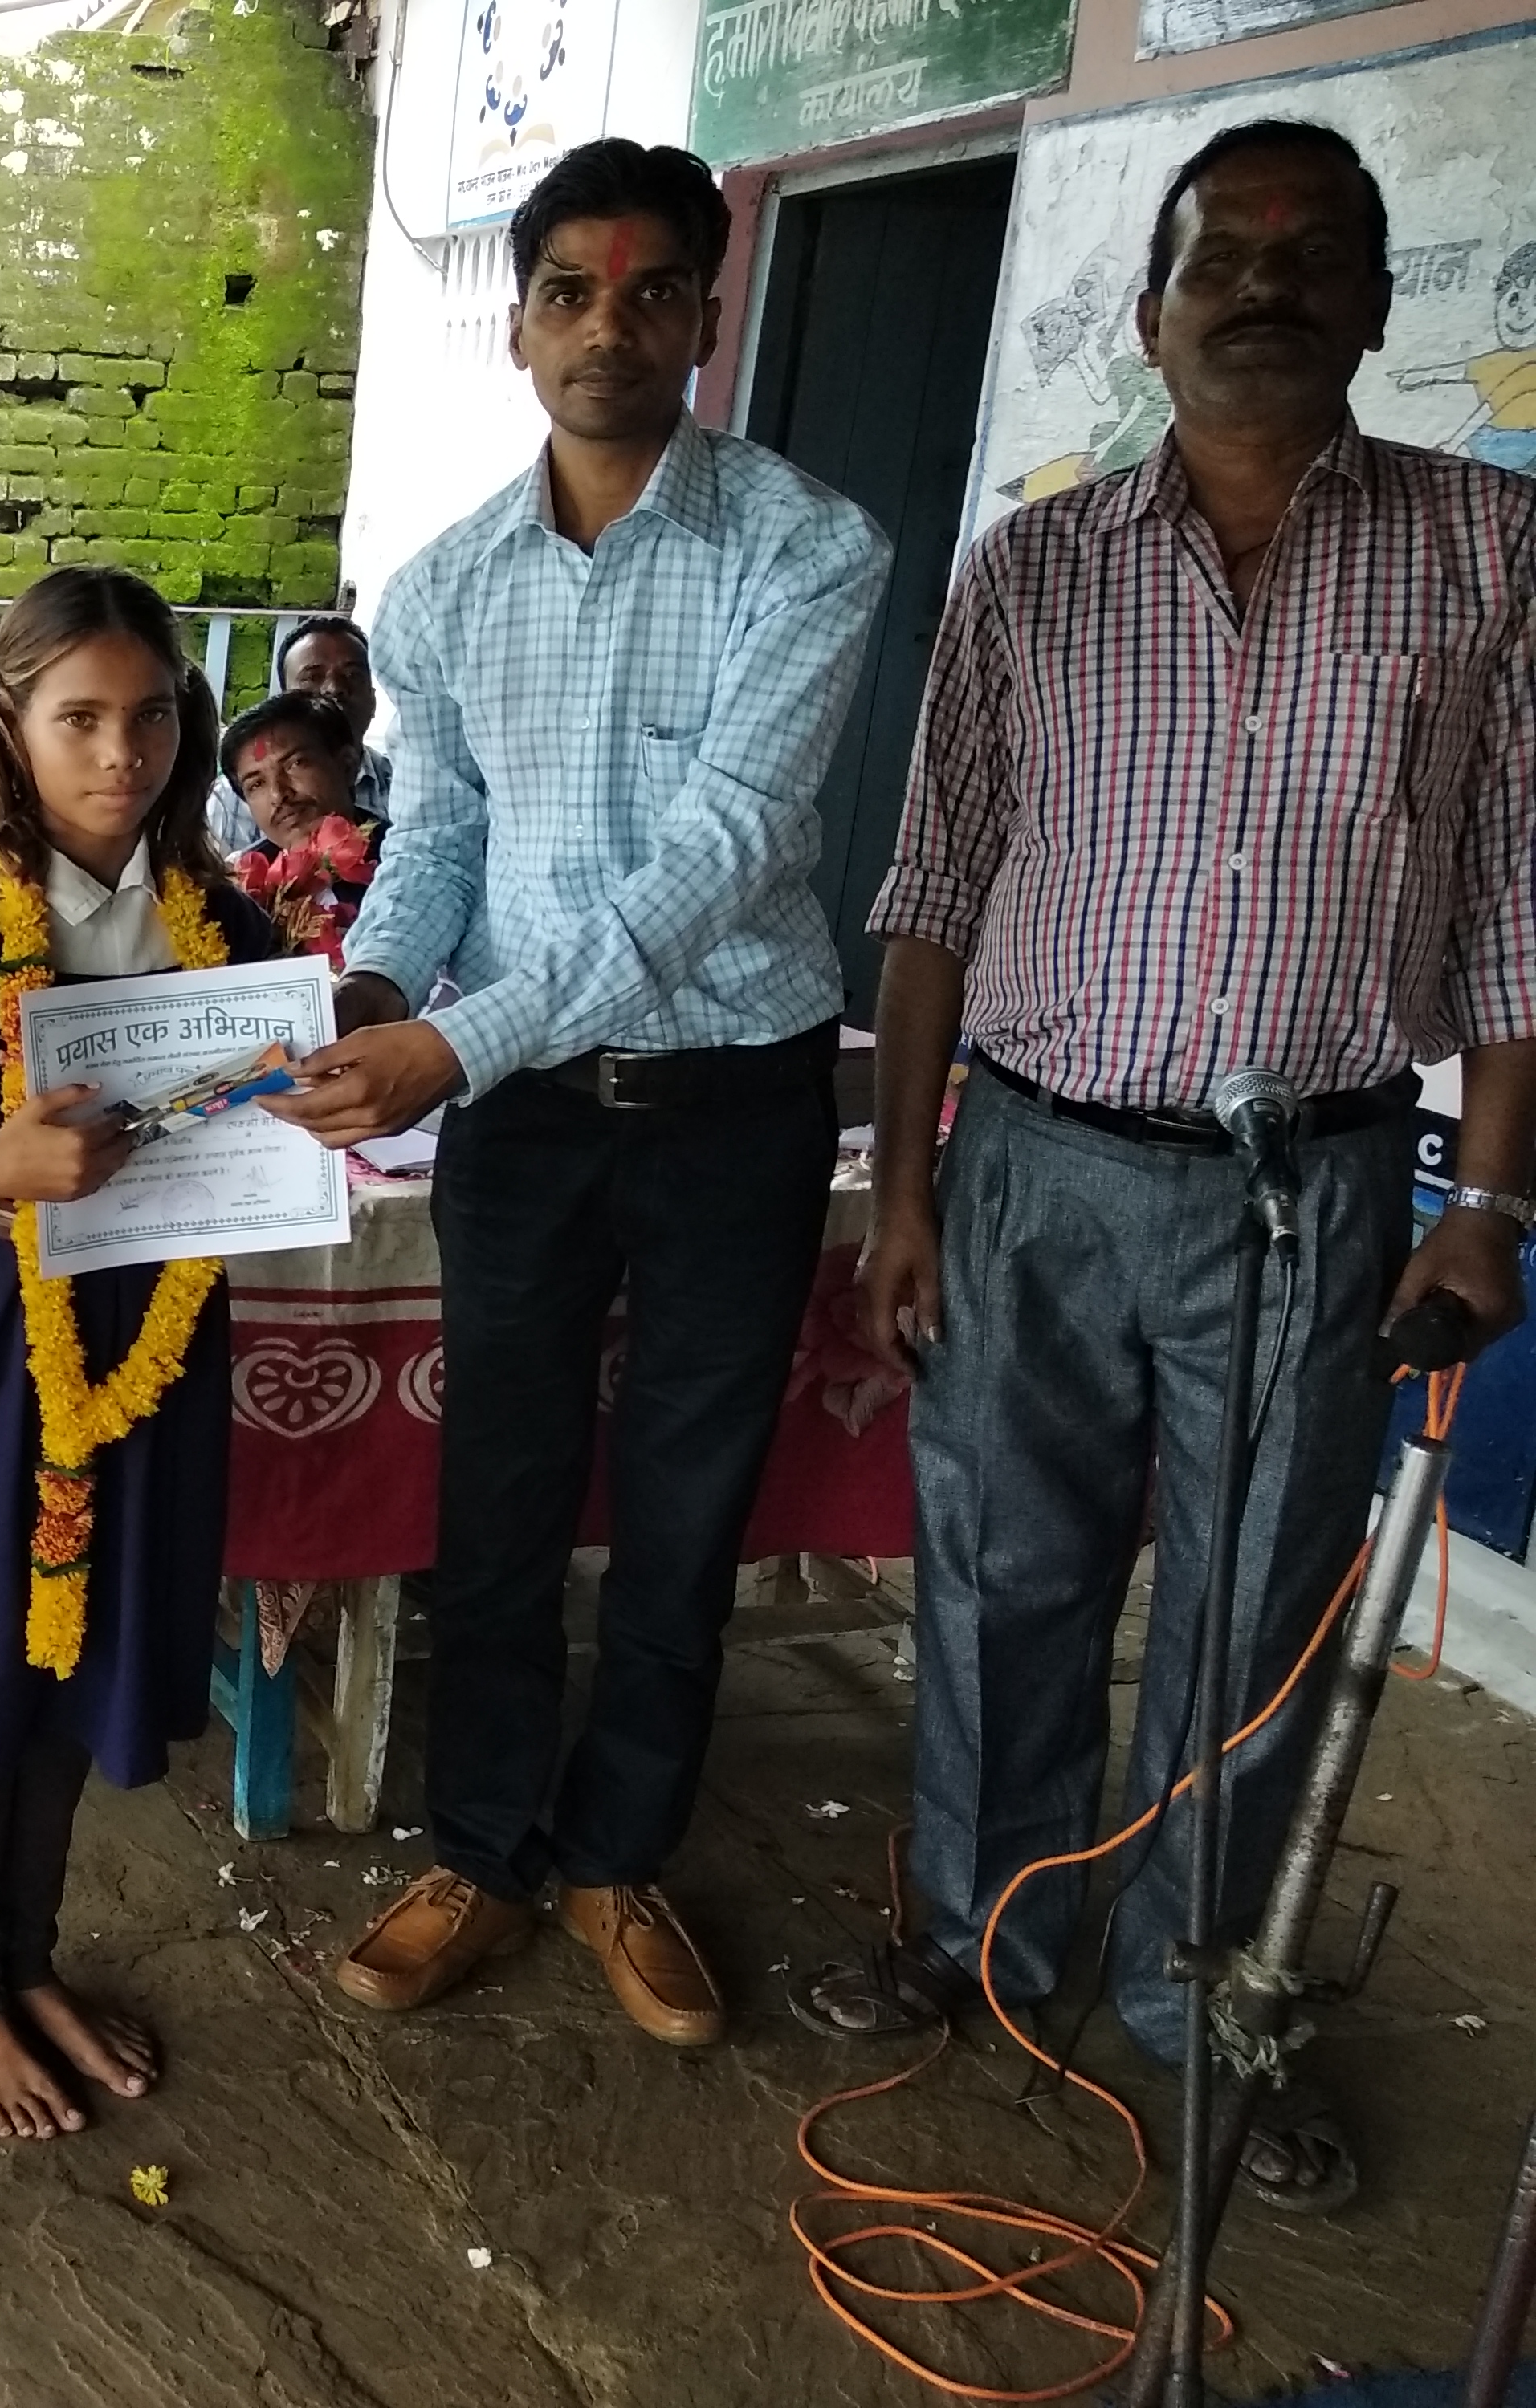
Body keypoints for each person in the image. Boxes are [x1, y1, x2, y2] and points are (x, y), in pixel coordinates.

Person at [823, 122, 1536, 2214]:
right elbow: (936, 890)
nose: (1268, 282)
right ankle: (981, 1935)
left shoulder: (1488, 556)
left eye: (1320, 252)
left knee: (1256, 1619)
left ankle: (1196, 1990)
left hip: (1310, 1193)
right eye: (1224, 251)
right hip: (1032, 1165)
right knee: (1002, 1576)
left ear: (1381, 309)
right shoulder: (1034, 569)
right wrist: (905, 1184)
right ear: (1149, 313)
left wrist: (1484, 1208)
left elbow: (1515, 910)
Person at [266, 140, 888, 2048]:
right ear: (521, 315)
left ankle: (622, 1853)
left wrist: (450, 1036)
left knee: (691, 1497)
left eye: (649, 292)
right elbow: (441, 828)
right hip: (526, 1110)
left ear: (706, 314)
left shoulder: (810, 549)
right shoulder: (444, 587)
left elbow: (719, 848)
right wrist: (367, 977)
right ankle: (486, 1845)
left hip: (730, 1094)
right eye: (568, 290)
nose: (607, 325)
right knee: (501, 1481)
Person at [0, 566, 270, 2140]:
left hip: (157, 1352)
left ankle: (24, 1962)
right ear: (9, 732)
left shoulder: (223, 931)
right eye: (76, 718)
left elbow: (247, 1116)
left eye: (148, 716)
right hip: (0, 1366)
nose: (117, 754)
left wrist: (303, 1104)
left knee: (79, 1660)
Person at [206, 614, 391, 854]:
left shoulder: (407, 791)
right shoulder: (228, 804)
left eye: (352, 675)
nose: (334, 689)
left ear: (347, 766)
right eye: (312, 677)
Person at [220, 689, 382, 903]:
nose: (279, 795)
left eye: (296, 764)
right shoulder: (244, 886)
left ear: (347, 766)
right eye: (256, 784)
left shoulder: (409, 859)